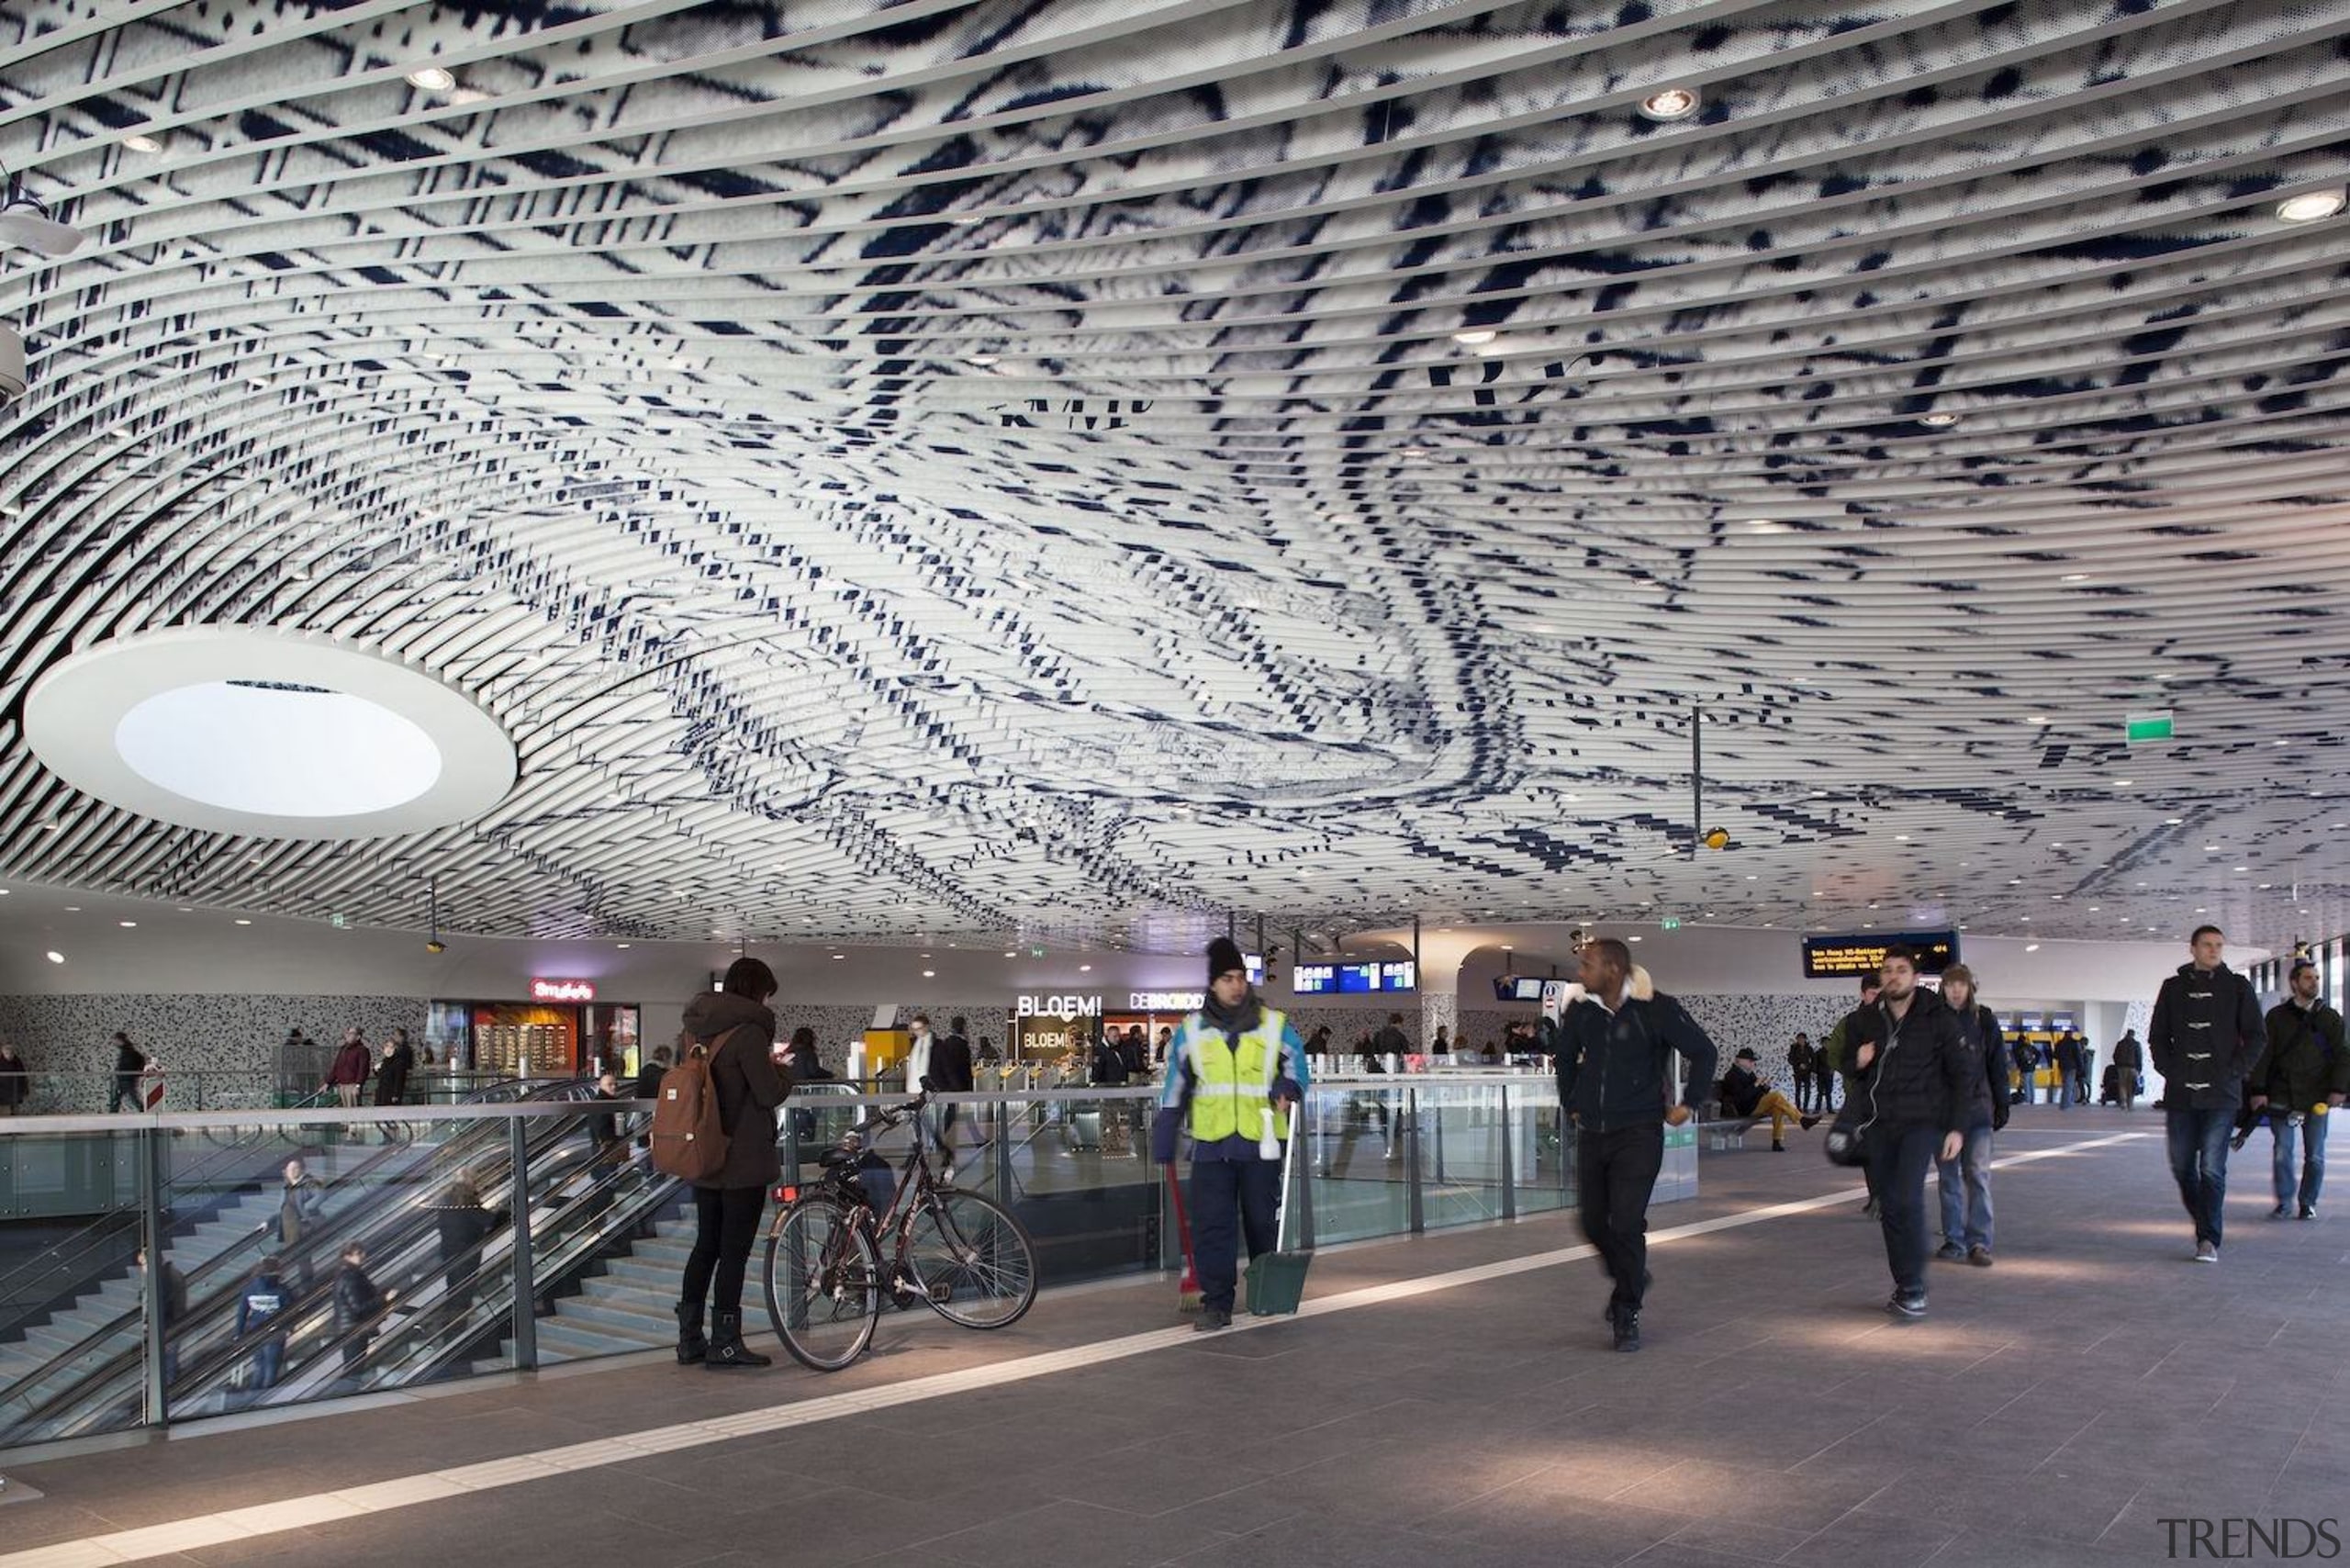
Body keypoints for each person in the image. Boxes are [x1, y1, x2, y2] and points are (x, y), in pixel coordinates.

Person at [1545, 939, 1717, 1352]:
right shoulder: (1582, 1010)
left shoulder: (1656, 1008)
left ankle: (1627, 1310)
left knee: (1625, 1223)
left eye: (1587, 965)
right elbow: (1564, 1058)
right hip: (1593, 1131)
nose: (1580, 973)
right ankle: (1632, 1275)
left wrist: (1689, 1103)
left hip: (1639, 1131)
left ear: (1613, 968)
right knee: (1590, 1223)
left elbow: (1703, 1051)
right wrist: (1571, 1102)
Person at [1151, 936, 1311, 1333]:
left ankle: (1264, 1289)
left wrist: (1287, 1090)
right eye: (1227, 978)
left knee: (1260, 1223)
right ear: (1213, 984)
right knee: (1213, 1227)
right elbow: (1176, 1085)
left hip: (1261, 1144)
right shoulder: (1191, 1031)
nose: (1236, 985)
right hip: (1211, 1145)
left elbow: (1297, 1067)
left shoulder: (1274, 1025)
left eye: (1240, 977)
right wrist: (1166, 1126)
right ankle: (1217, 1302)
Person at [675, 957, 791, 1370]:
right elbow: (767, 1093)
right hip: (741, 1156)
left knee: (705, 1245)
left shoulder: (694, 1029)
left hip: (703, 1152)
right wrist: (783, 1072)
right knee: (734, 1252)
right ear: (758, 991)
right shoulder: (750, 1033)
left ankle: (689, 1340)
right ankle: (725, 1342)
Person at [1849, 948, 1971, 1319]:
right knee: (1889, 1204)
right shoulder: (1866, 1020)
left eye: (1901, 970)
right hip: (1879, 1125)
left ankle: (1915, 1287)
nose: (1893, 976)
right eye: (1887, 971)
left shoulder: (1938, 1018)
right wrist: (1857, 1061)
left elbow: (1962, 1075)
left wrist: (1957, 1127)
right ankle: (1905, 1285)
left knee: (1906, 1197)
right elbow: (1843, 1066)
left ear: (1915, 977)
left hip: (1922, 1123)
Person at [2149, 924, 2266, 1262]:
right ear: (2193, 948)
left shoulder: (2238, 988)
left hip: (2222, 1094)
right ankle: (2205, 1221)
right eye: (2207, 945)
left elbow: (2257, 1036)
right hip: (2181, 1093)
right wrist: (2171, 1069)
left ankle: (2208, 1238)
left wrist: (2234, 1072)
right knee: (2183, 1166)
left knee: (2212, 1168)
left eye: (2219, 945)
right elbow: (2158, 1036)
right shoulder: (2172, 989)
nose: (2214, 951)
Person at [2255, 956, 2349, 1222]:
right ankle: (2284, 1202)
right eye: (2308, 978)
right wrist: (2258, 1090)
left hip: (2317, 1095)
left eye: (2317, 978)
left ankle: (2308, 1202)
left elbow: (2343, 1054)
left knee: (2315, 1154)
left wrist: (2339, 1088)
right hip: (2282, 1093)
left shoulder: (2329, 1017)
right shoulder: (2276, 1018)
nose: (2315, 982)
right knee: (2283, 1150)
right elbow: (2264, 1055)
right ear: (2294, 983)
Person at [1932, 964, 2009, 1267]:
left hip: (1978, 1111)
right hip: (1942, 1113)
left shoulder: (1983, 1019)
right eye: (1950, 984)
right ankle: (1954, 1239)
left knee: (1977, 1175)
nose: (1955, 990)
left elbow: (1997, 1063)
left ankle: (1979, 1241)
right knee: (1949, 1178)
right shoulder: (1932, 1021)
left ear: (1970, 988)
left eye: (1960, 984)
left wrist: (2002, 1103)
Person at [1825, 976, 1884, 1215]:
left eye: (1881, 993)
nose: (1877, 998)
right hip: (1861, 1097)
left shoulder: (1895, 1021)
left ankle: (1882, 1197)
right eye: (1872, 993)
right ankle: (1877, 1196)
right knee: (1869, 1148)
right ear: (1862, 994)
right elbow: (1833, 1055)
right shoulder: (1850, 1023)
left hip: (1890, 1097)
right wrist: (1852, 1070)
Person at [1718, 1047, 1818, 1151]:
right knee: (1776, 1096)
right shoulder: (1732, 1075)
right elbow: (1741, 1098)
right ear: (1739, 1060)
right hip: (1745, 1108)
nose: (1753, 1064)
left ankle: (1777, 1141)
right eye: (1750, 1061)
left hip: (1755, 1104)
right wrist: (1756, 1085)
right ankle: (1802, 1120)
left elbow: (1756, 1092)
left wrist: (1764, 1087)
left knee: (1778, 1109)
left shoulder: (1749, 1073)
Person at [428, 1170, 494, 1312]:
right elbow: (490, 1220)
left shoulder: (446, 1203)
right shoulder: (467, 1203)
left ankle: (451, 1323)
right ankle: (458, 1324)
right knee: (463, 1293)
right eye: (473, 1181)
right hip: (466, 1256)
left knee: (453, 1289)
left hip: (449, 1252)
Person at [236, 1256, 292, 1393]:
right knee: (271, 1366)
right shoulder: (282, 1290)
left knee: (259, 1365)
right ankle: (266, 1396)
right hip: (275, 1332)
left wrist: (238, 1333)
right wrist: (290, 1327)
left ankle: (254, 1395)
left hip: (256, 1331)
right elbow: (290, 1309)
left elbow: (242, 1312)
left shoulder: (250, 1289)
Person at [134, 1246, 188, 1385]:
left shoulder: (165, 1278)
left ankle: (168, 1387)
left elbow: (163, 1304)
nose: (142, 1269)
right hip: (171, 1323)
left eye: (144, 1264)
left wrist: (148, 1323)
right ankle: (171, 1379)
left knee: (166, 1356)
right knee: (169, 1356)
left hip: (167, 1325)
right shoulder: (162, 1275)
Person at [332, 1242, 387, 1375]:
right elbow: (358, 1307)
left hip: (351, 1328)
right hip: (355, 1329)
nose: (363, 1256)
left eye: (363, 1252)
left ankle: (348, 1393)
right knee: (354, 1370)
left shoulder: (348, 1274)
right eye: (358, 1253)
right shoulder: (350, 1277)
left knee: (353, 1368)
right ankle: (347, 1394)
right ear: (347, 1256)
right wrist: (384, 1299)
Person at [932, 1015, 977, 1170]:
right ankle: (948, 1151)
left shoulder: (945, 1043)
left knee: (951, 1116)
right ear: (963, 1027)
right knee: (952, 1119)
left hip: (945, 1088)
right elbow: (964, 1069)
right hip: (958, 1088)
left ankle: (973, 1139)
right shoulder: (962, 1045)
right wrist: (969, 1088)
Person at [278, 1156, 324, 1285]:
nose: (292, 1171)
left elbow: (321, 1195)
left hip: (303, 1226)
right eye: (289, 1169)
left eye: (295, 1168)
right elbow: (281, 1208)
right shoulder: (286, 1187)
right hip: (289, 1228)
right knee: (294, 1256)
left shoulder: (309, 1182)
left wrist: (308, 1207)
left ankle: (307, 1283)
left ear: (302, 1170)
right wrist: (267, 1222)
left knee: (303, 1257)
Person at [327, 1028, 371, 1108]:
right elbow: (336, 1067)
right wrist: (328, 1082)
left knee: (353, 1108)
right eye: (347, 1033)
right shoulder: (343, 1049)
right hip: (342, 1084)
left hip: (352, 1084)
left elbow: (363, 1069)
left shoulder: (362, 1050)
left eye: (351, 1033)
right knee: (344, 1108)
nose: (347, 1035)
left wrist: (358, 1085)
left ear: (358, 1037)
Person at [375, 1029, 415, 1107]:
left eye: (391, 1047)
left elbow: (399, 1079)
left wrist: (396, 1094)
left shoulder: (399, 1060)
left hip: (391, 1092)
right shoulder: (385, 1061)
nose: (388, 1049)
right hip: (383, 1092)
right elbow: (381, 1075)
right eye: (387, 1047)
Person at [110, 1032, 147, 1114]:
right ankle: (143, 1111)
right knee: (127, 1098)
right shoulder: (128, 1050)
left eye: (115, 1039)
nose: (114, 1042)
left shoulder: (128, 1051)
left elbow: (126, 1065)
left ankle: (112, 1115)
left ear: (120, 1040)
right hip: (126, 1078)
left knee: (129, 1098)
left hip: (126, 1078)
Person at [2113, 1029, 2145, 1111]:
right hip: (2132, 1068)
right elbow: (2139, 1057)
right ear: (2133, 1035)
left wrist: (2118, 1065)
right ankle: (2130, 1104)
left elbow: (2115, 1055)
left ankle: (2123, 1103)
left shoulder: (2120, 1044)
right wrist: (2139, 1069)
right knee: (2131, 1086)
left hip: (2122, 1067)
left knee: (2122, 1085)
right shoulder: (2136, 1044)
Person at [2053, 1032, 2084, 1113]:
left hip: (2062, 1067)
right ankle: (2065, 1105)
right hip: (2072, 1067)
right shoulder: (2074, 1043)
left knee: (2066, 1084)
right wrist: (2081, 1068)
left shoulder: (2059, 1043)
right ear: (2071, 1035)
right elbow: (2078, 1056)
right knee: (2069, 1086)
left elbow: (2055, 1055)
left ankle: (2069, 1102)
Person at [1787, 1034, 1817, 1114]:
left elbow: (1814, 1059)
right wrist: (1799, 1064)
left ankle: (1805, 1107)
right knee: (1798, 1090)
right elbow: (1790, 1059)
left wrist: (1811, 1068)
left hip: (1807, 1072)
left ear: (1805, 1039)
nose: (1800, 1040)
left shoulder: (1809, 1048)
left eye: (1802, 1038)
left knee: (1807, 1090)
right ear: (1797, 1040)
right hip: (1798, 1072)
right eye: (1799, 1039)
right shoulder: (1793, 1048)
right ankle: (1798, 1107)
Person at [2009, 1032, 2042, 1105]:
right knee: (2031, 1083)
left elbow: (2017, 1059)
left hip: (2024, 1068)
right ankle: (2032, 1099)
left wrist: (2019, 1066)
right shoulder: (2030, 1046)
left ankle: (2027, 1099)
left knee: (2026, 1084)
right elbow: (2039, 1054)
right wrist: (2035, 1062)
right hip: (2032, 1067)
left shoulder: (2018, 1048)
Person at [0, 1040, 28, 1114]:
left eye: (10, 1049)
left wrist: (24, 1090)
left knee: (12, 1115)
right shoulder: (3, 1061)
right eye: (6, 1049)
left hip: (12, 1095)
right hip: (6, 1095)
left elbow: (22, 1077)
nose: (8, 1051)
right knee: (6, 1115)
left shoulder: (16, 1061)